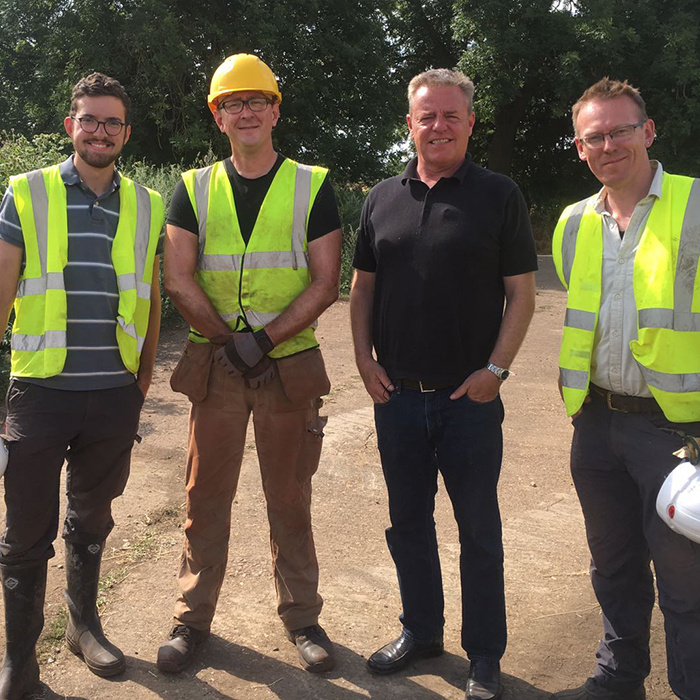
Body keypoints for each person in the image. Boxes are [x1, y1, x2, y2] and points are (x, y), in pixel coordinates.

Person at [350, 68, 537, 700]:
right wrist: (362, 359)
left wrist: (496, 372)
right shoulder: (381, 197)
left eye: (451, 115)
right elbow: (362, 288)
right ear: (410, 123)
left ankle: (484, 655)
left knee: (479, 531)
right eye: (426, 116)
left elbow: (521, 294)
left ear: (470, 122)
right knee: (408, 526)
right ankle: (421, 632)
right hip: (396, 396)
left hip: (469, 402)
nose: (438, 126)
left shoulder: (498, 194)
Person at [158, 53, 341, 675]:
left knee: (290, 496)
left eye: (257, 100)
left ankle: (302, 618)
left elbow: (324, 283)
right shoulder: (192, 187)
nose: (246, 111)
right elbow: (178, 277)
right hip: (218, 368)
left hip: (286, 368)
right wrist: (229, 341)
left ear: (276, 110)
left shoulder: (312, 184)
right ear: (218, 116)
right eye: (232, 103)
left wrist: (261, 343)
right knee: (204, 495)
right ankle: (191, 619)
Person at [0, 72, 164, 698]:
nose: (101, 131)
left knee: (93, 516)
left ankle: (83, 625)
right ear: (70, 126)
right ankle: (20, 664)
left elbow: (149, 303)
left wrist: (141, 383)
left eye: (112, 122)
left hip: (114, 396)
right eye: (90, 120)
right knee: (25, 532)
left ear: (125, 132)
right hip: (39, 394)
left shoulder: (147, 204)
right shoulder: (28, 192)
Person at [552, 77, 700, 700]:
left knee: (686, 580)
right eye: (594, 136)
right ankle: (619, 678)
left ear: (648, 131)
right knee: (612, 564)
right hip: (596, 422)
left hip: (676, 431)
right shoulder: (572, 223)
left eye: (619, 130)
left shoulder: (694, 206)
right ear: (581, 149)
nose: (608, 144)